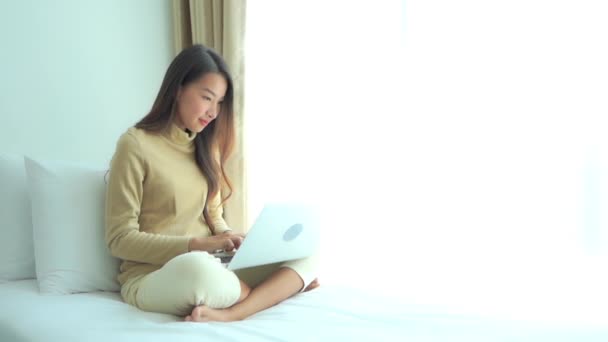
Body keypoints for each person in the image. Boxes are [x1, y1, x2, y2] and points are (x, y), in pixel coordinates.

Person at [105, 44, 319, 322]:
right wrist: (197, 245)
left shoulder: (207, 148)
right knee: (196, 270)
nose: (213, 112)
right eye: (207, 98)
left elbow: (214, 215)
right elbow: (119, 240)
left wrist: (232, 239)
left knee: (306, 255)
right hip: (154, 275)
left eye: (220, 103)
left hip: (215, 263)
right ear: (178, 89)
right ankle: (273, 291)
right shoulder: (134, 145)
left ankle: (232, 312)